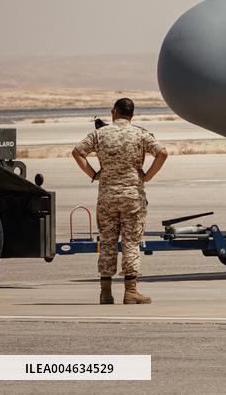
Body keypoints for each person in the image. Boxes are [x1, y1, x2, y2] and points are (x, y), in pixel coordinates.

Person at [72, 98, 168, 304]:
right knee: (131, 242)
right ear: (131, 114)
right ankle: (131, 291)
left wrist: (94, 174)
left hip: (107, 196)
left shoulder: (100, 134)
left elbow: (77, 152)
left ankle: (105, 292)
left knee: (107, 242)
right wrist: (148, 176)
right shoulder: (141, 134)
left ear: (114, 112)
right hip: (132, 196)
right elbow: (162, 153)